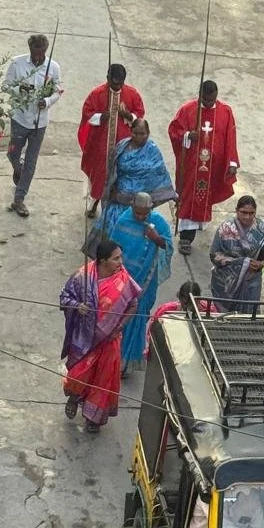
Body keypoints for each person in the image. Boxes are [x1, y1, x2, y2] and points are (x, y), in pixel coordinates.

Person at [59, 238, 140, 433]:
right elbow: (64, 297)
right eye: (116, 258)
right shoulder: (83, 277)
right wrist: (78, 306)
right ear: (102, 261)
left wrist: (119, 328)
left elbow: (133, 304)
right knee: (79, 374)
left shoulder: (123, 278)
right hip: (84, 340)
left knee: (104, 380)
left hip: (110, 339)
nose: (121, 262)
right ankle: (75, 397)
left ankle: (93, 418)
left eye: (121, 257)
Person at [168, 80, 239, 253]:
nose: (209, 103)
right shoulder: (188, 110)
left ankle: (197, 223)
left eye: (212, 100)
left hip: (213, 166)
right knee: (188, 197)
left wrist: (231, 162)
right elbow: (174, 130)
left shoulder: (225, 112)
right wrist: (187, 135)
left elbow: (230, 137)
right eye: (205, 100)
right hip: (192, 164)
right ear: (200, 95)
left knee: (205, 196)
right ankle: (186, 237)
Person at [111, 191, 173, 374]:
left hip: (146, 281)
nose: (139, 217)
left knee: (137, 318)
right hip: (122, 279)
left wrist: (155, 237)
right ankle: (114, 359)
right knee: (118, 317)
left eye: (144, 213)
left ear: (150, 210)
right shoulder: (123, 220)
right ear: (131, 206)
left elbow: (168, 246)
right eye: (137, 212)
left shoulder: (158, 223)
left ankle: (128, 363)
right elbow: (113, 247)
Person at [3, 33, 63, 218]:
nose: (37, 57)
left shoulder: (53, 67)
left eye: (41, 53)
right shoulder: (17, 63)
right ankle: (17, 168)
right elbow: (6, 85)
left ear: (45, 51)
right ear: (30, 49)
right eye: (34, 52)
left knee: (31, 161)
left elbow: (58, 90)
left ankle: (19, 199)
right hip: (20, 118)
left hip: (40, 122)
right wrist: (19, 90)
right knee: (13, 152)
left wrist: (47, 101)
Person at [78, 64, 146, 218]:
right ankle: (94, 202)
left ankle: (115, 211)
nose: (117, 87)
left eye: (120, 83)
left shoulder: (132, 94)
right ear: (107, 78)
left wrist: (128, 115)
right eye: (113, 83)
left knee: (120, 179)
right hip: (100, 145)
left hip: (123, 146)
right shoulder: (97, 94)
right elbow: (87, 114)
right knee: (99, 177)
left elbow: (140, 115)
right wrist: (101, 117)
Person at [92, 119, 176, 239]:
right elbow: (113, 168)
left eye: (142, 134)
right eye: (135, 133)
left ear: (148, 133)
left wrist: (171, 194)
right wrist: (113, 188)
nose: (139, 137)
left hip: (139, 202)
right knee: (112, 229)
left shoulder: (152, 151)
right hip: (119, 198)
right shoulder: (122, 146)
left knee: (135, 233)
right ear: (130, 132)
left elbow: (159, 174)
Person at [210, 195, 264, 313]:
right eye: (244, 212)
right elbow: (214, 254)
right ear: (236, 210)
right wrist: (241, 264)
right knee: (225, 314)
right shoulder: (225, 228)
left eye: (251, 213)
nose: (248, 217)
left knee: (249, 312)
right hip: (228, 280)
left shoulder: (262, 228)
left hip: (252, 279)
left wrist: (261, 264)